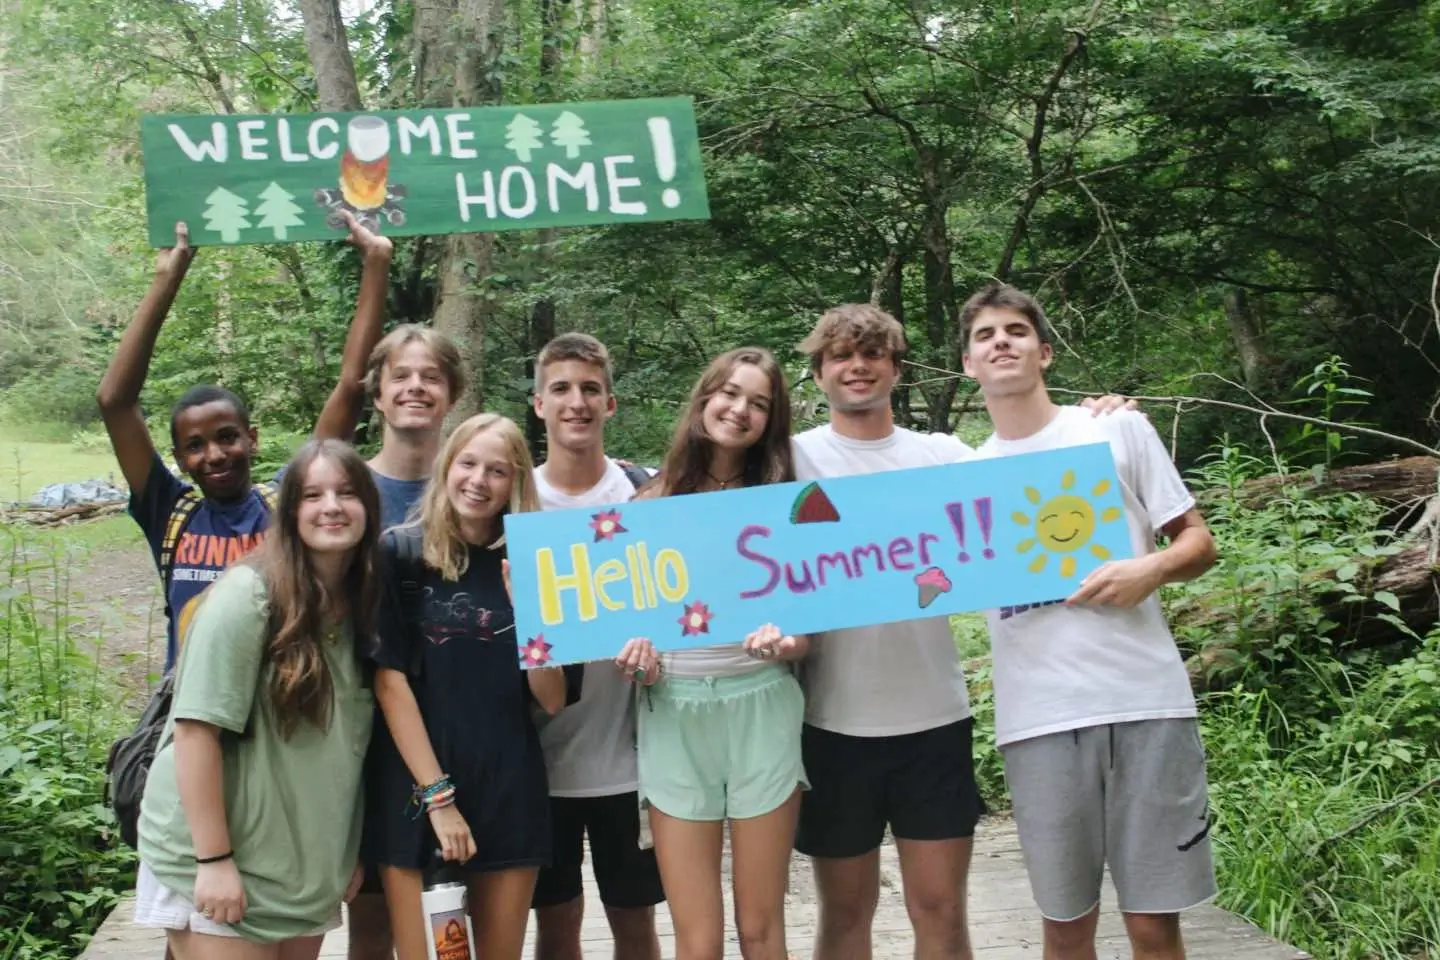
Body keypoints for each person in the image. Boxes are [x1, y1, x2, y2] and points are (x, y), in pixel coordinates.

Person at [789, 304, 1135, 960]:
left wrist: (1098, 420)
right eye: (840, 355)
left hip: (934, 722)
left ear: (896, 366)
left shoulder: (945, 456)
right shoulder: (788, 460)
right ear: (818, 372)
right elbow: (700, 492)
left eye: (872, 353)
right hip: (829, 724)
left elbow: (1040, 478)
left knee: (942, 913)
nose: (857, 367)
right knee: (843, 915)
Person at [960, 283, 1218, 960]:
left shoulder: (1115, 430)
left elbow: (1198, 542)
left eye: (1015, 331)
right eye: (984, 336)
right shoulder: (963, 474)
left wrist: (1150, 570)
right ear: (968, 365)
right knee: (1066, 926)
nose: (1001, 343)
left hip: (1148, 704)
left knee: (1153, 923)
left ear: (1043, 352)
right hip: (1037, 718)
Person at [96, 215, 393, 672]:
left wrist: (375, 262)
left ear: (252, 440)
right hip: (196, 715)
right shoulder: (170, 513)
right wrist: (166, 279)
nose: (214, 455)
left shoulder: (290, 503)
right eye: (195, 446)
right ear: (180, 458)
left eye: (228, 437)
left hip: (282, 717)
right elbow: (114, 402)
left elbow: (351, 391)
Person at [133, 438, 385, 958]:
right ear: (289, 511)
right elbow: (195, 731)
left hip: (302, 872)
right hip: (222, 862)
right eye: (313, 495)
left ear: (370, 507)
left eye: (347, 492)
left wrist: (343, 852)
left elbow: (345, 748)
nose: (332, 506)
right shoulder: (247, 598)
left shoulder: (364, 606)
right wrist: (213, 860)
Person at [615, 347, 810, 960]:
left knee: (761, 929)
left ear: (771, 421)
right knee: (697, 940)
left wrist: (787, 642)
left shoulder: (785, 500)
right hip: (673, 715)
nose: (740, 409)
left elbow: (809, 630)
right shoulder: (646, 503)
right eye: (730, 393)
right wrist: (636, 660)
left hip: (763, 709)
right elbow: (625, 631)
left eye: (759, 403)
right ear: (704, 398)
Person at [363, 413, 570, 960]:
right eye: (468, 463)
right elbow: (389, 684)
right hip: (419, 792)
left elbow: (552, 698)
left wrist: (532, 613)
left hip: (509, 788)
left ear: (516, 482)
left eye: (497, 470)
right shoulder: (400, 553)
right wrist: (438, 799)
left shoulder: (535, 562)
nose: (479, 480)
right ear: (447, 466)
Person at [528, 333, 665, 960]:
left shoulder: (649, 492)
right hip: (538, 763)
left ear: (611, 404)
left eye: (589, 390)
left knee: (635, 925)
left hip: (634, 762)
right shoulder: (514, 500)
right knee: (556, 928)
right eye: (561, 389)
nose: (575, 402)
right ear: (538, 404)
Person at [347, 323, 467, 960]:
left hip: (451, 736)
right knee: (368, 920)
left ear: (451, 394)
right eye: (402, 376)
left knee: (454, 919)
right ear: (378, 393)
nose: (416, 388)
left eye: (431, 377)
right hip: (355, 731)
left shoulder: (475, 490)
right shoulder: (345, 492)